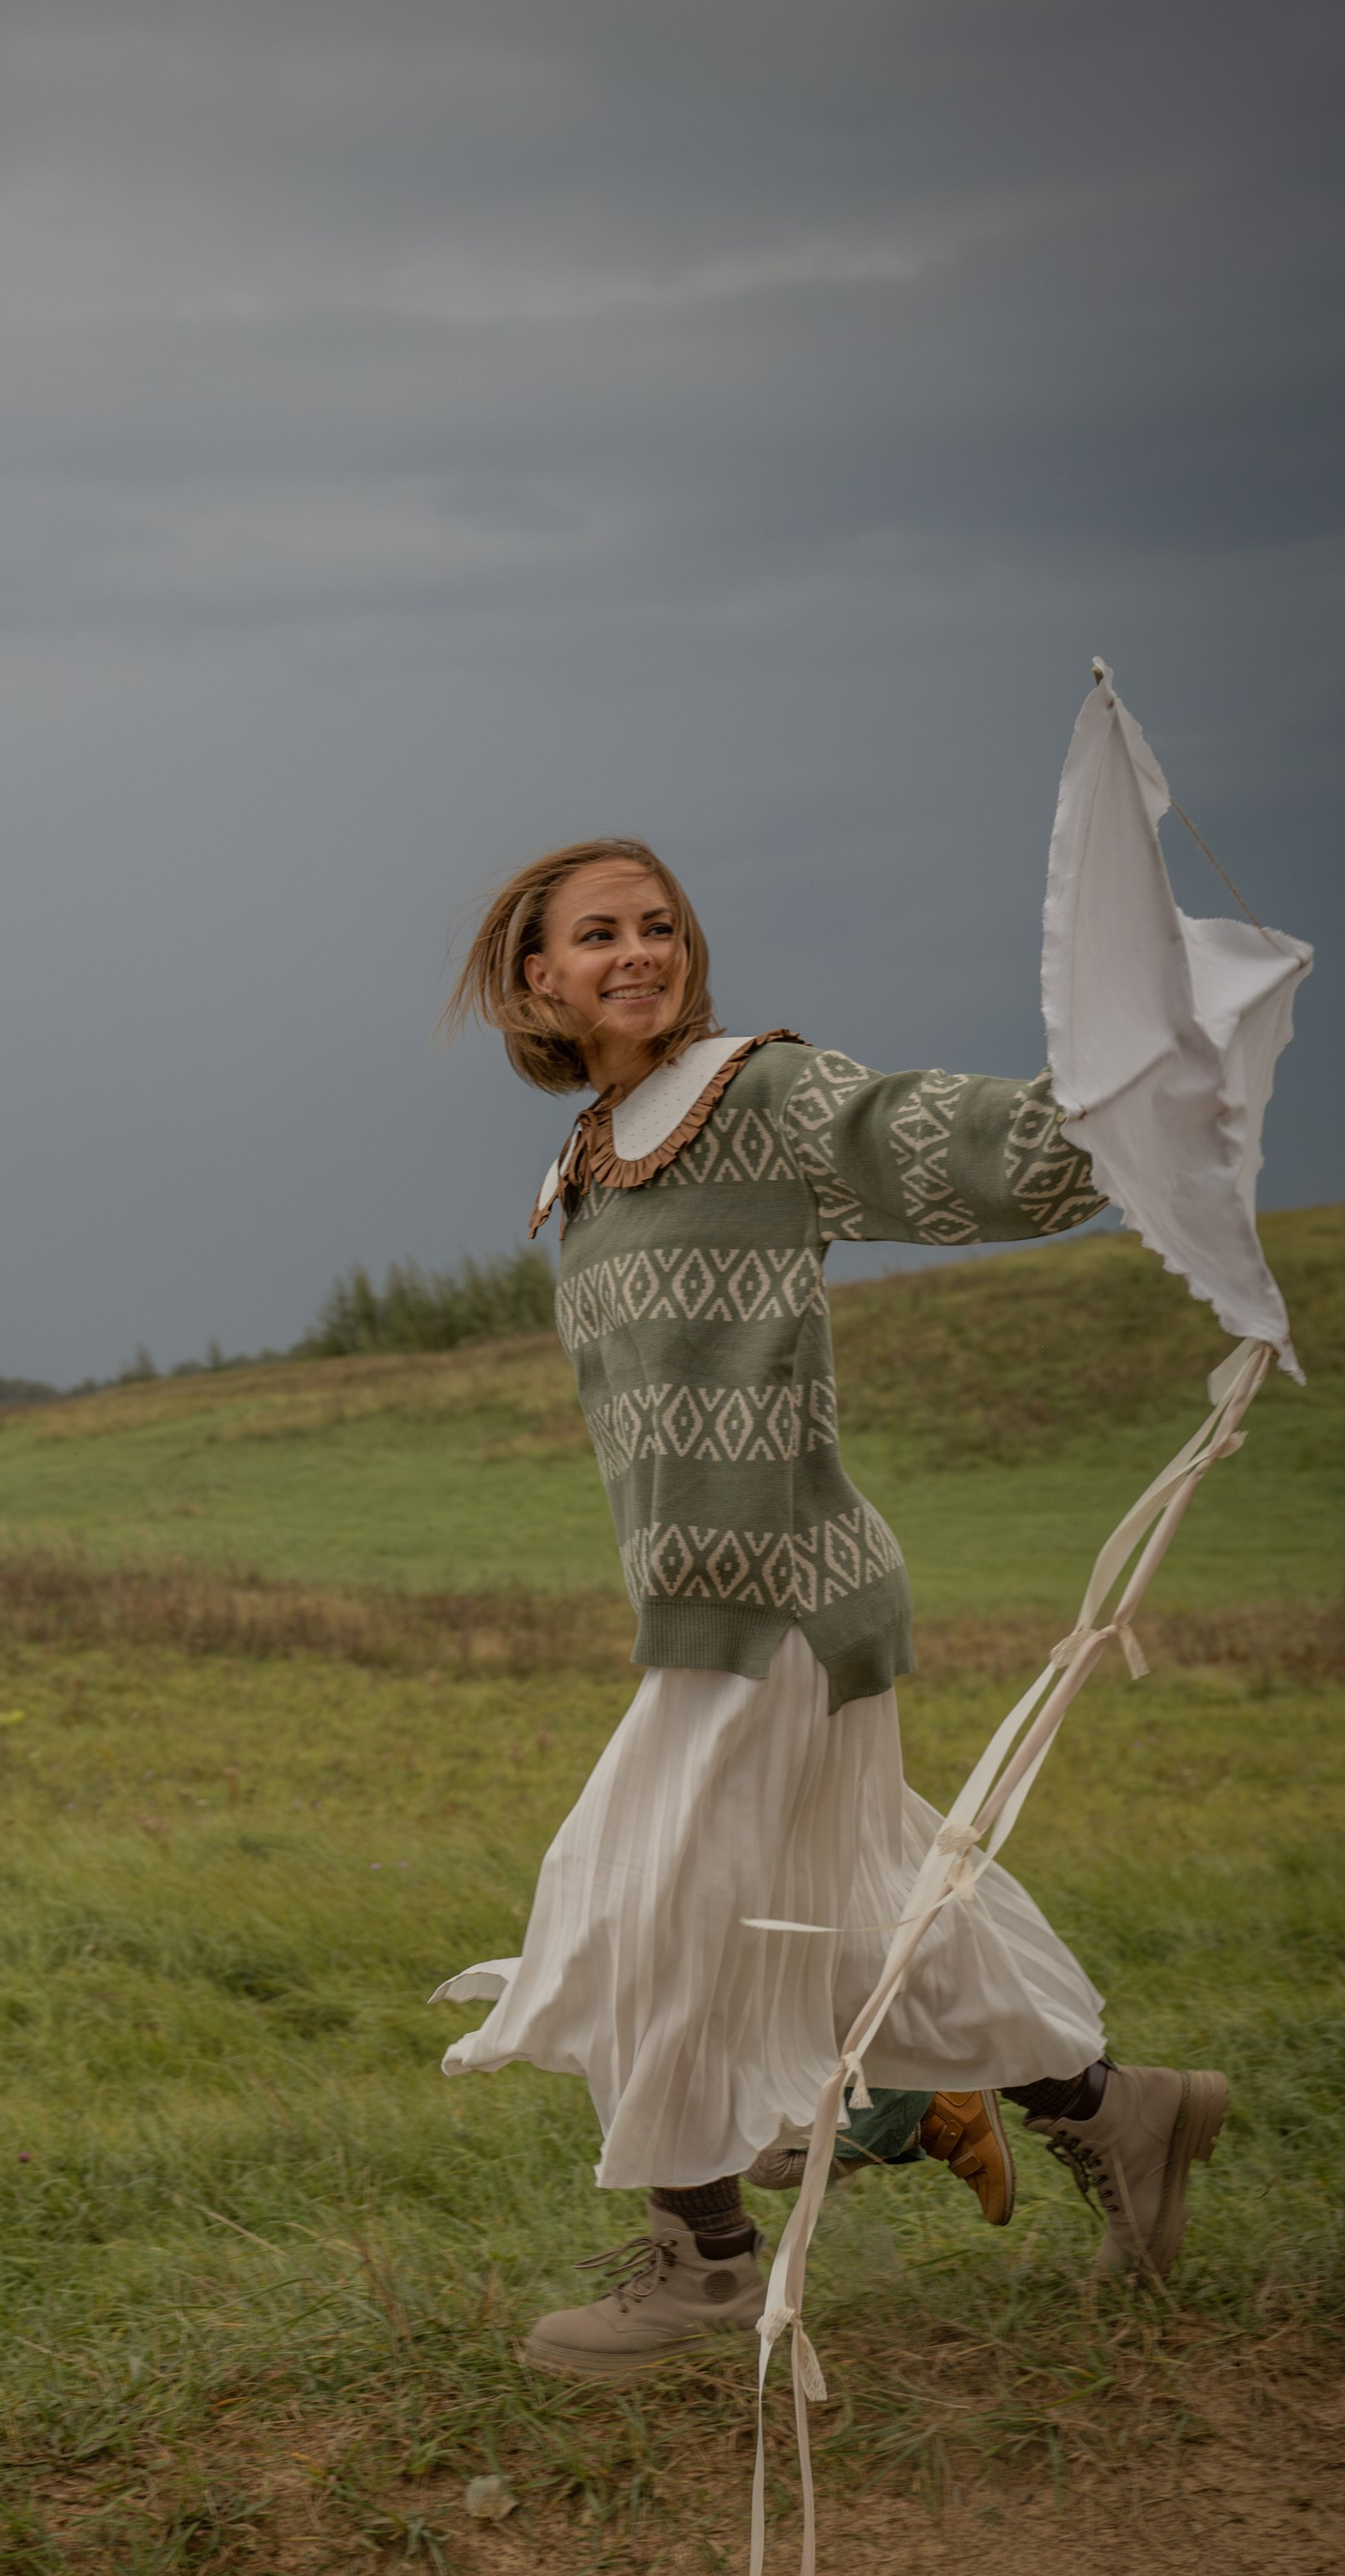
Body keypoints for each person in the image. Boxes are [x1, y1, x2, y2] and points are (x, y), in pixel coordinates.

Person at [428, 835, 1230, 2380]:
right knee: (866, 1919)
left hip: (782, 1599)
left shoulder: (758, 1097)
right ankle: (1121, 2114)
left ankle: (706, 2262)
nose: (639, 953)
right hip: (725, 1606)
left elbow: (945, 1145)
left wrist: (1131, 1084)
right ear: (538, 979)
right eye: (598, 936)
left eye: (659, 926)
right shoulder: (590, 1162)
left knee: (631, 1897)